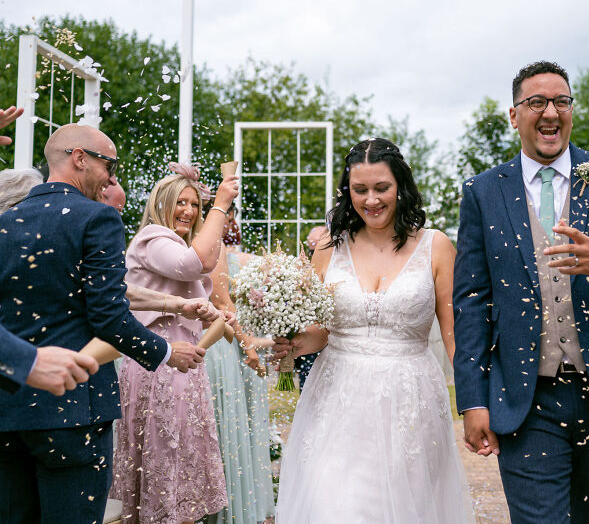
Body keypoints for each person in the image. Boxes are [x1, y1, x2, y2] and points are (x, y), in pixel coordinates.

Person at [453, 61, 589, 523]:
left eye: (561, 101)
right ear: (514, 115)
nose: (550, 112)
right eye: (536, 102)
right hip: (527, 397)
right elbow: (471, 300)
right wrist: (472, 399)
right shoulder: (483, 191)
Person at [0, 124, 204, 524]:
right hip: (74, 412)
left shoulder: (6, 219)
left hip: (8, 406)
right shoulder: (97, 218)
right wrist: (166, 352)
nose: (112, 177)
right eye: (109, 164)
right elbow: (109, 316)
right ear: (80, 158)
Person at [272, 138, 471, 523]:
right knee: (336, 506)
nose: (371, 200)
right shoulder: (330, 247)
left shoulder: (436, 247)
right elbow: (321, 331)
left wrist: (475, 401)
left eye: (382, 188)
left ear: (401, 187)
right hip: (337, 397)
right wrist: (292, 344)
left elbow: (454, 336)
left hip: (410, 400)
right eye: (360, 190)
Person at [111, 163, 238, 524]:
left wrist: (218, 321)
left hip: (186, 369)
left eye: (195, 204)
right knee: (162, 477)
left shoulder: (174, 242)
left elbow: (196, 298)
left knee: (183, 476)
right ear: (161, 204)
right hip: (158, 369)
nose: (189, 211)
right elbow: (193, 263)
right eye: (180, 202)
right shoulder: (153, 238)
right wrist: (221, 204)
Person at [205, 208, 275, 524]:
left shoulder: (239, 258)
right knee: (230, 427)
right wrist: (251, 345)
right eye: (226, 215)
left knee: (238, 427)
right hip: (224, 346)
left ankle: (235, 502)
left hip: (234, 343)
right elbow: (223, 302)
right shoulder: (219, 251)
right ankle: (230, 503)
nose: (231, 222)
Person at [293, 224, 330, 388]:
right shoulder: (302, 268)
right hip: (311, 333)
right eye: (310, 249)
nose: (313, 254)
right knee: (308, 380)